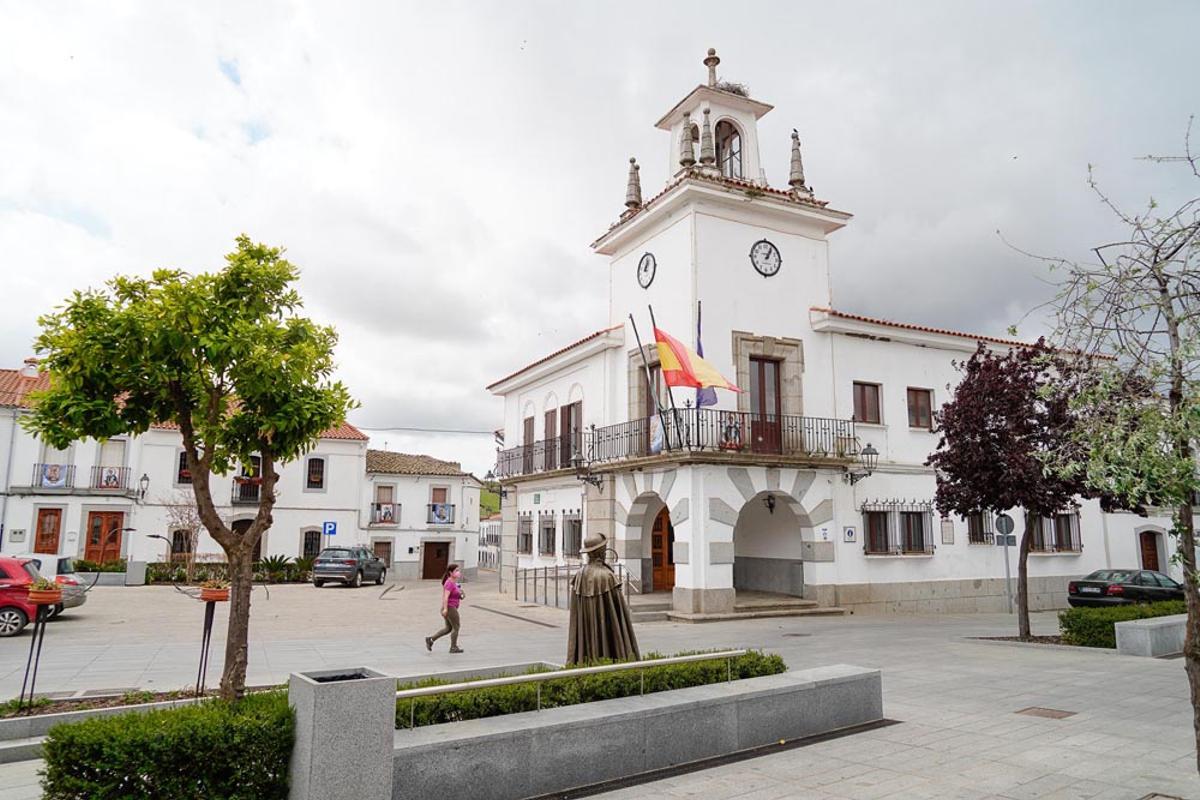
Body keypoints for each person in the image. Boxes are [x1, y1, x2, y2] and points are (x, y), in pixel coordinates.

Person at [566, 531, 640, 665]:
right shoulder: (607, 576)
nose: (606, 552)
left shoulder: (579, 576)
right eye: (604, 550)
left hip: (587, 630)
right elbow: (618, 616)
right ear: (601, 552)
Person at [425, 563, 465, 653]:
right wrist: (445, 609)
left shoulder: (454, 583)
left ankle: (430, 640)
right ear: (451, 573)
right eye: (456, 571)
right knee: (456, 627)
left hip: (451, 607)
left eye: (459, 570)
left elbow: (455, 595)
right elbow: (445, 597)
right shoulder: (449, 583)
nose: (459, 572)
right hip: (450, 608)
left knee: (448, 628)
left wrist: (461, 595)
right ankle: (453, 647)